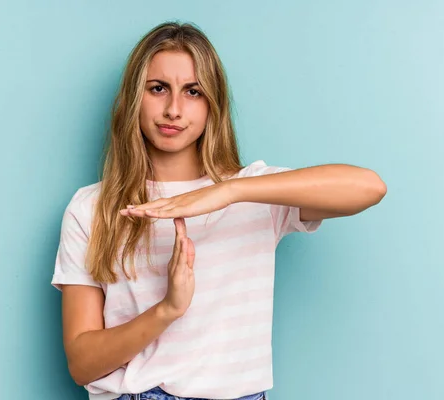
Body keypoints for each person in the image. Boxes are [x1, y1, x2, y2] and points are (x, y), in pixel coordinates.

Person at [51, 21, 387, 400]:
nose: (174, 109)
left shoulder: (256, 195)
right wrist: (167, 309)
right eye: (158, 89)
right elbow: (82, 363)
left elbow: (369, 187)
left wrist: (228, 192)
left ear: (213, 103)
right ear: (133, 99)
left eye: (192, 92)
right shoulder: (93, 207)